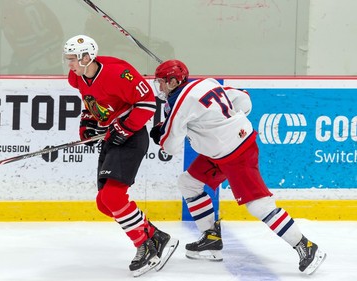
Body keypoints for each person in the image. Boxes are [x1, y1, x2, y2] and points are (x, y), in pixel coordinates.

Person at [149, 60, 326, 275]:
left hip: (237, 154)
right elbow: (244, 100)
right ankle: (211, 240)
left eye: (161, 82)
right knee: (188, 183)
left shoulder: (180, 103)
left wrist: (160, 136)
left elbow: (171, 146)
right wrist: (224, 124)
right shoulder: (207, 83)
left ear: (174, 81)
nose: (159, 88)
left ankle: (306, 247)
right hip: (223, 151)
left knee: (259, 205)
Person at [63, 35, 178, 277]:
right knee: (105, 203)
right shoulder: (77, 76)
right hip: (110, 138)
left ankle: (145, 245)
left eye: (73, 59)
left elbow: (147, 102)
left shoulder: (119, 72)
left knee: (113, 197)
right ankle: (156, 236)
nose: (69, 63)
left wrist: (124, 128)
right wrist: (87, 121)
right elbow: (90, 100)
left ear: (86, 57)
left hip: (131, 137)